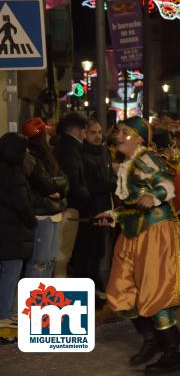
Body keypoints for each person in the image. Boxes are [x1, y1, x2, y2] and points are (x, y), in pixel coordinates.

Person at [97, 117, 180, 373]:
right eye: (120, 132)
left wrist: (154, 195)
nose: (119, 136)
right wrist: (113, 215)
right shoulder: (129, 163)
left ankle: (173, 353)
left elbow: (166, 185)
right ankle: (151, 340)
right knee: (123, 290)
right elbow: (130, 204)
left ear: (138, 138)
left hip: (156, 232)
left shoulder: (146, 159)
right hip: (132, 231)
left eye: (125, 132)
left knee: (154, 291)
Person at [71, 119, 116, 306]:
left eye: (99, 132)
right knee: (86, 252)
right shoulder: (81, 155)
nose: (97, 136)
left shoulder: (104, 151)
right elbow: (89, 183)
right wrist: (113, 183)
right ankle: (88, 292)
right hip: (89, 209)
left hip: (104, 207)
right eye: (93, 133)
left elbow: (110, 174)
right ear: (84, 133)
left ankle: (95, 287)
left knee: (99, 250)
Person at [22, 118, 68, 280]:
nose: (49, 136)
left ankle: (43, 299)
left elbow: (64, 180)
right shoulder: (30, 157)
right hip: (41, 214)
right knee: (39, 262)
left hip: (54, 212)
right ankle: (33, 301)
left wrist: (58, 189)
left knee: (50, 261)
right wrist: (56, 186)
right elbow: (45, 185)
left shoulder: (51, 156)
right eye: (46, 133)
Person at [0, 133, 37, 339]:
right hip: (13, 234)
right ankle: (4, 322)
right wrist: (32, 223)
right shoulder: (14, 174)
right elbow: (21, 204)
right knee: (9, 276)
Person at [53, 112, 90, 277]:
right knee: (62, 255)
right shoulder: (71, 149)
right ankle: (58, 296)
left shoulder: (60, 144)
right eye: (85, 131)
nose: (85, 135)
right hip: (69, 207)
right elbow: (73, 181)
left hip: (61, 206)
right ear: (76, 130)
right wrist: (88, 195)